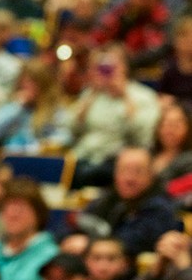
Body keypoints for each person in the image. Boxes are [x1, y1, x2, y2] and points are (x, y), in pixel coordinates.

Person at [67, 43, 161, 188]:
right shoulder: (91, 94)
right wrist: (91, 95)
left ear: (125, 67)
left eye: (113, 65)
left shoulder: (143, 96)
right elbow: (73, 131)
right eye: (103, 66)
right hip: (85, 155)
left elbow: (142, 138)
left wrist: (125, 96)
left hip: (116, 160)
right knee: (64, 169)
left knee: (88, 173)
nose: (108, 70)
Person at [75, 147, 179, 257]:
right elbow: (80, 222)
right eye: (123, 170)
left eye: (138, 172)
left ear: (151, 175)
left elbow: (130, 245)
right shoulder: (109, 198)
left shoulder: (160, 208)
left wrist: (87, 244)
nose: (129, 178)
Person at [0, 57, 72, 154]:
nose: (27, 87)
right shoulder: (13, 106)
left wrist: (38, 147)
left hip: (38, 160)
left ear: (44, 85)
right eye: (24, 82)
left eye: (32, 83)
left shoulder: (55, 110)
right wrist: (17, 106)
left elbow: (65, 137)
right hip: (9, 158)